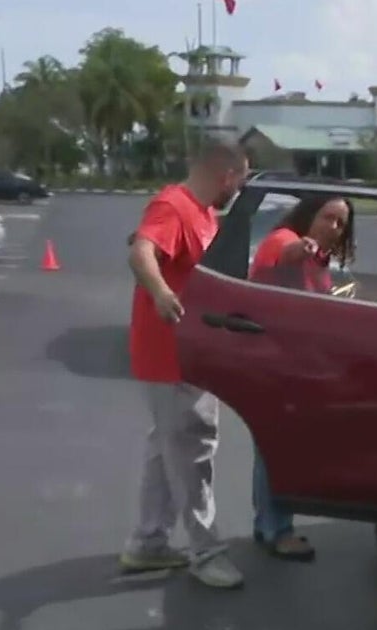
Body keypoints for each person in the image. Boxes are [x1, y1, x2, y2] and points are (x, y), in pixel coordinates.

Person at [121, 142, 250, 589]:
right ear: (227, 175)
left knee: (167, 452)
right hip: (170, 356)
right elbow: (141, 252)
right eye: (242, 180)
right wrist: (160, 293)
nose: (240, 189)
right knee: (193, 453)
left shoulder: (204, 213)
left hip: (190, 354)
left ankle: (148, 542)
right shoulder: (173, 207)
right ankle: (206, 552)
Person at [247, 195, 355, 561]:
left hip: (291, 361)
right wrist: (301, 249)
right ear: (309, 214)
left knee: (273, 446)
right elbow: (285, 255)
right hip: (276, 362)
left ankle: (268, 523)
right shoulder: (285, 241)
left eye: (341, 224)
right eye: (328, 217)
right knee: (279, 446)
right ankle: (277, 530)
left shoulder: (318, 257)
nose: (334, 228)